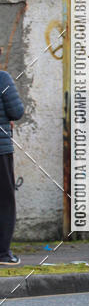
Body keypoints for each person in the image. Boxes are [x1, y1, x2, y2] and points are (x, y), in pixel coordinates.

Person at [0, 68, 24, 265]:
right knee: (5, 202)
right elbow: (16, 112)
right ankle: (3, 254)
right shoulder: (3, 78)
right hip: (1, 152)